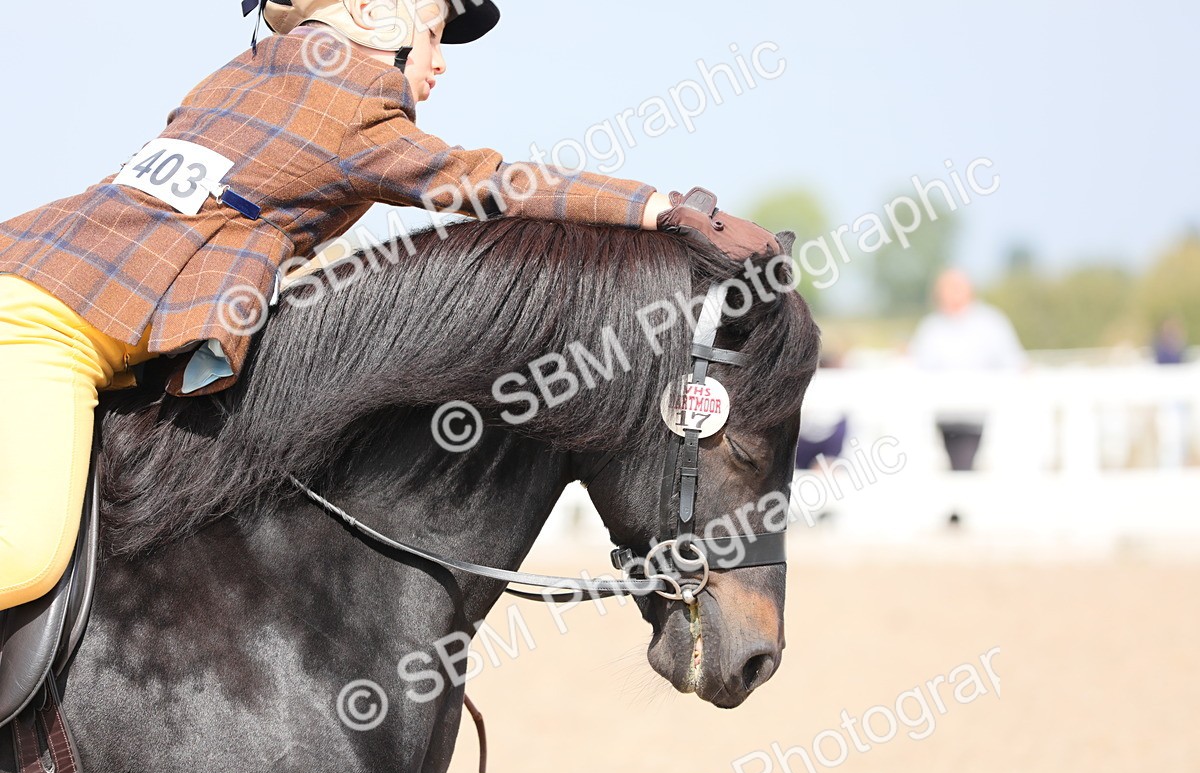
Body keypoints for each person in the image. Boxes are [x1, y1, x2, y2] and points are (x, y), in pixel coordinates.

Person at [0, 0, 782, 612]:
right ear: (375, 16)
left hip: (42, 283)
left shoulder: (244, 76)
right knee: (28, 553)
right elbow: (492, 184)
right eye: (435, 35)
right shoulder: (352, 100)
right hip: (49, 323)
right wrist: (656, 207)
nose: (440, 65)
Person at [909, 268, 1025, 474]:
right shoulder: (931, 328)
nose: (951, 293)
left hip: (983, 419)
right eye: (946, 288)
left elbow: (1015, 365)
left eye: (956, 287)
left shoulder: (991, 323)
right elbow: (916, 370)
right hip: (942, 419)